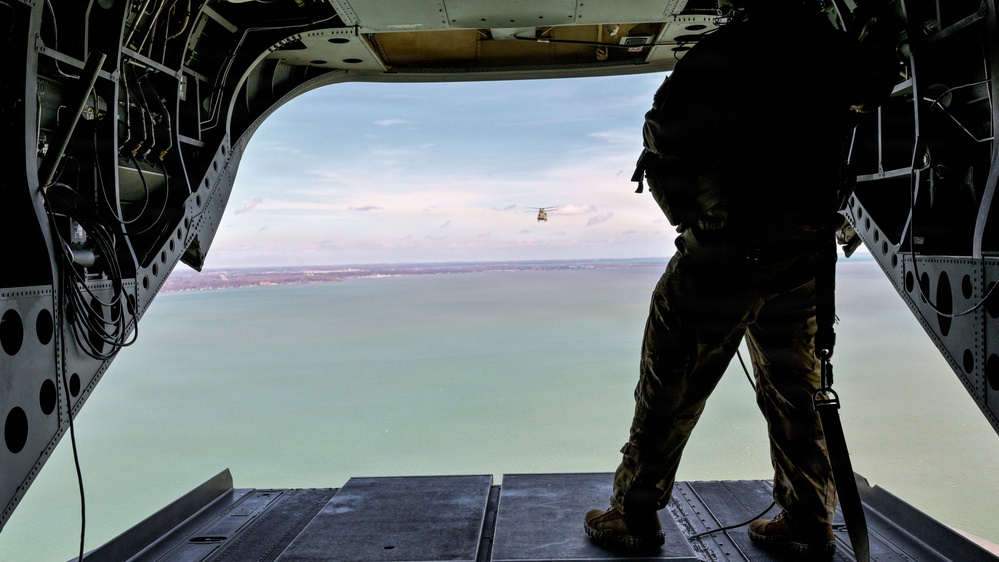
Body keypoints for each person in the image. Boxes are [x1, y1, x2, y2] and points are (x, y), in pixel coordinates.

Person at [583, 0, 896, 556]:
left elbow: (662, 136)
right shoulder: (832, 53)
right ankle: (807, 521)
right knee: (796, 392)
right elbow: (874, 88)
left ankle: (634, 515)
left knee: (669, 390)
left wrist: (694, 217)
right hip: (802, 260)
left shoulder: (720, 55)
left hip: (722, 257)